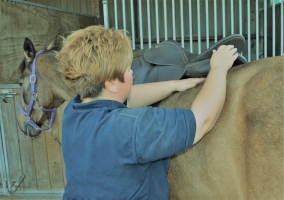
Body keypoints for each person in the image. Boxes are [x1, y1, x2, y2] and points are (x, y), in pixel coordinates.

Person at [56, 25, 238, 200]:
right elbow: (202, 120)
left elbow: (129, 97)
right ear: (110, 83)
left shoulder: (73, 111)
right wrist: (219, 69)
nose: (132, 73)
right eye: (128, 69)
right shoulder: (133, 127)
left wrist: (174, 85)